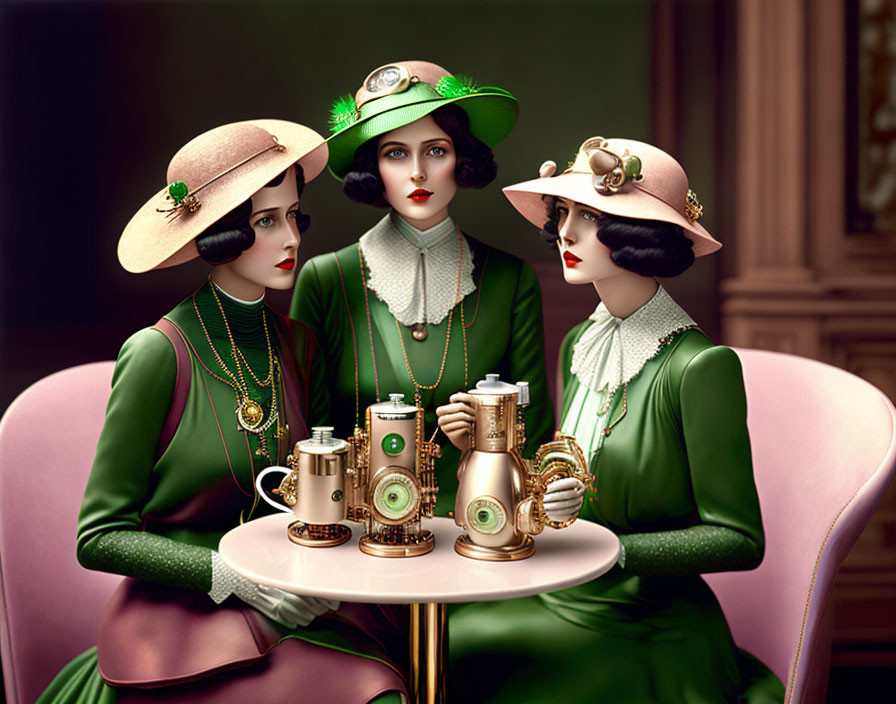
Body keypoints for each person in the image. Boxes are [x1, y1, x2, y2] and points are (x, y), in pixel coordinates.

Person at [37, 120, 408, 704]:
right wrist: (234, 578)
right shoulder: (158, 352)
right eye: (266, 222)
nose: (291, 239)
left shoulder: (298, 343)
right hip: (183, 620)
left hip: (297, 598)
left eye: (294, 217)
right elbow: (100, 536)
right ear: (221, 233)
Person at [441, 137, 785, 702]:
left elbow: (741, 540)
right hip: (558, 594)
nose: (565, 234)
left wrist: (612, 551)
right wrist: (479, 449)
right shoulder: (580, 345)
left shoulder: (699, 367)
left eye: (592, 217)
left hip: (647, 624)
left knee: (475, 661)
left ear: (638, 237)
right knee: (434, 639)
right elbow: (565, 485)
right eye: (563, 215)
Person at [291, 61, 554, 516]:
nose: (417, 172)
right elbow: (306, 432)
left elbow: (536, 431)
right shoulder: (324, 279)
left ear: (462, 161)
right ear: (372, 165)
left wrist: (487, 435)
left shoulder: (511, 280)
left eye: (436, 151)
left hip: (483, 522)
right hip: (355, 527)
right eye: (396, 153)